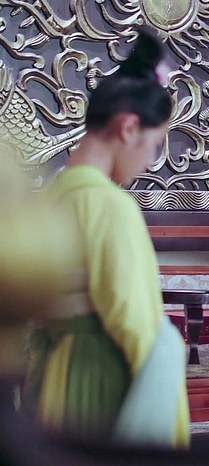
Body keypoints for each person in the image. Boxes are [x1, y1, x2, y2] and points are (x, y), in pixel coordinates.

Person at [20, 28, 190, 448]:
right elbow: (138, 327)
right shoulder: (110, 207)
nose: (150, 161)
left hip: (49, 381)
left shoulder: (50, 200)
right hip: (98, 386)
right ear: (128, 128)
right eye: (154, 144)